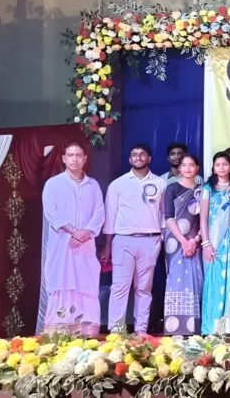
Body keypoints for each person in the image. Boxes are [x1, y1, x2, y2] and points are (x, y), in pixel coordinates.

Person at [41, 141, 105, 335]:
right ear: (64, 158)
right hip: (62, 245)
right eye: (70, 155)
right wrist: (73, 231)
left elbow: (99, 213)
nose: (74, 159)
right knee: (62, 281)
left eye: (78, 155)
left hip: (86, 245)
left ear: (85, 159)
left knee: (86, 283)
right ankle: (59, 329)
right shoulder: (53, 184)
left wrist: (85, 232)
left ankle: (87, 329)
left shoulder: (93, 185)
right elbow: (52, 213)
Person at [102, 144, 166, 335]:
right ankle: (116, 330)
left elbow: (164, 215)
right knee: (119, 287)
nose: (138, 157)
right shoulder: (118, 184)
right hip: (123, 240)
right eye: (134, 155)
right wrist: (107, 246)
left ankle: (141, 330)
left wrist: (162, 239)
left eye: (142, 154)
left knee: (144, 288)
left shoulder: (160, 183)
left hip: (150, 240)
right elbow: (110, 217)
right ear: (130, 159)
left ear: (149, 158)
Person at [161, 155, 204, 335]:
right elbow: (168, 217)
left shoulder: (203, 190)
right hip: (175, 241)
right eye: (184, 165)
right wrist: (184, 241)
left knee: (196, 279)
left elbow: (205, 220)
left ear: (197, 168)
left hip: (196, 242)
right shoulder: (172, 188)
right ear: (179, 168)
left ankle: (195, 328)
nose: (187, 168)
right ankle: (175, 328)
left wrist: (195, 240)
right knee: (176, 280)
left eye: (191, 165)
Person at [199, 151, 230, 336]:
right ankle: (211, 327)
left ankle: (228, 326)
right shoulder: (208, 189)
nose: (221, 168)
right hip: (213, 241)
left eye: (225, 164)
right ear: (213, 168)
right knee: (213, 281)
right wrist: (206, 244)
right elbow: (203, 218)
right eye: (218, 165)